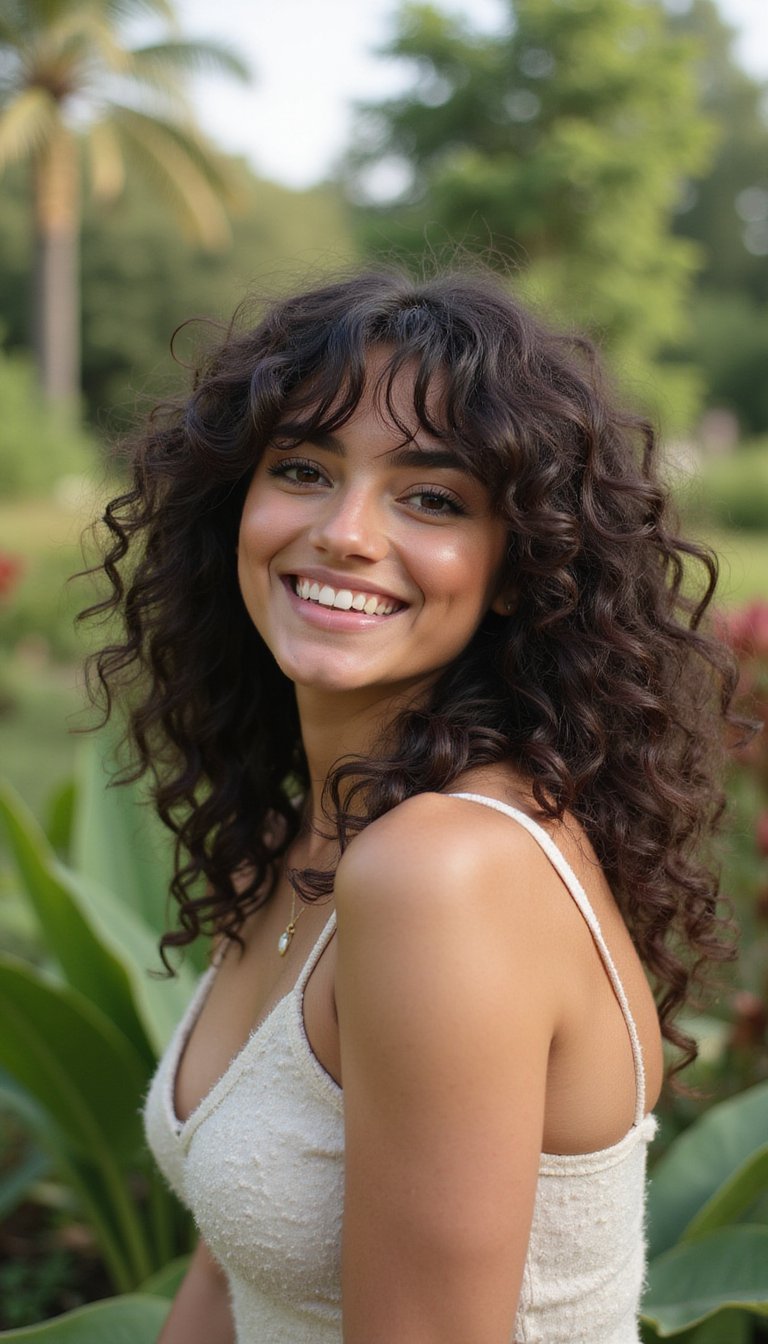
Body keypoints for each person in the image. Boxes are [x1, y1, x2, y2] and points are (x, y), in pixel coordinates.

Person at [85, 267, 737, 1343]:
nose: (345, 532)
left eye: (432, 498)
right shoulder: (309, 836)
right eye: (303, 469)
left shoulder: (443, 872)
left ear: (521, 567)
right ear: (234, 505)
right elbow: (227, 1278)